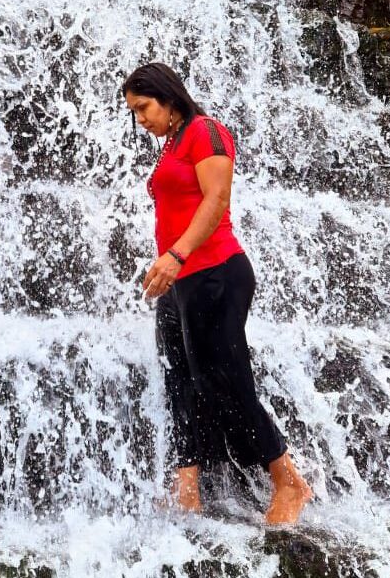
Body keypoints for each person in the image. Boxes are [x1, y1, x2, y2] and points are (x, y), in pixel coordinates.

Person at [122, 62, 312, 524]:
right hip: (180, 280)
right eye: (133, 113)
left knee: (225, 380)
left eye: (144, 108)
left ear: (169, 98)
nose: (140, 120)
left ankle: (288, 480)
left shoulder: (205, 132)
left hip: (215, 272)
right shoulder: (172, 143)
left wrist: (177, 255)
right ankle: (187, 489)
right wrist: (172, 264)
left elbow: (217, 199)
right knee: (180, 381)